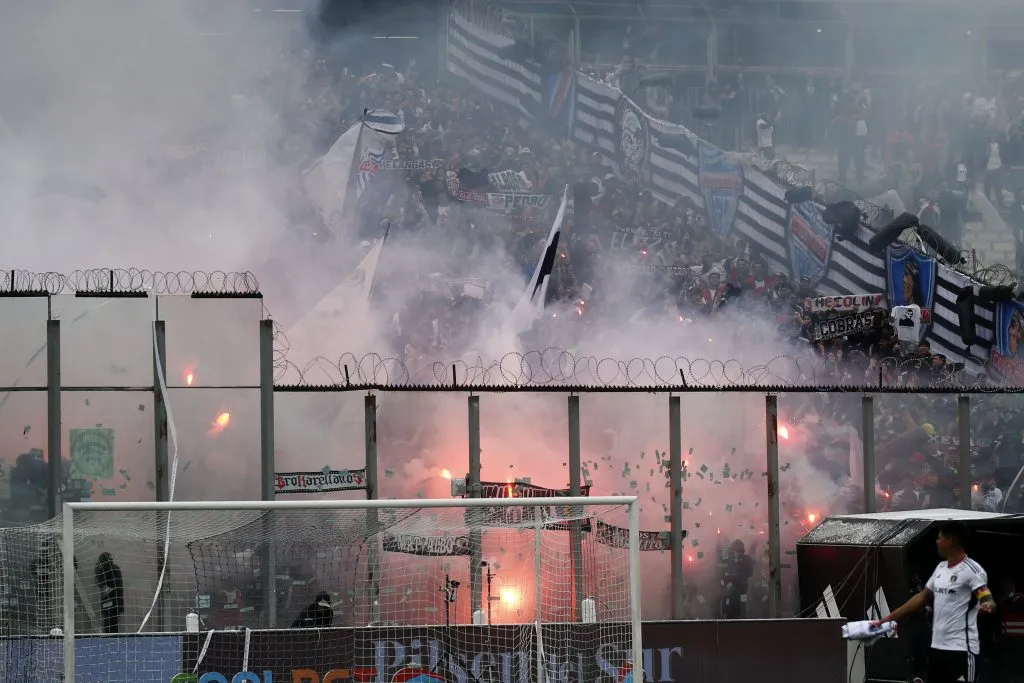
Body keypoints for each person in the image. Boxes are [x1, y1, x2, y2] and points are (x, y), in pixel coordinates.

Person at [872, 521, 995, 683]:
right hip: (938, 649)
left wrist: (987, 605)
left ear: (949, 541)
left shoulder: (972, 570)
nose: (936, 542)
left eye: (939, 538)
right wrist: (887, 618)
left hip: (962, 650)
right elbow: (922, 597)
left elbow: (987, 597)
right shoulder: (940, 569)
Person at [94, 552, 125, 634]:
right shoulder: (115, 568)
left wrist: (97, 570)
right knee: (113, 624)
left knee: (109, 625)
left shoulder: (106, 570)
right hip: (115, 602)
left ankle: (109, 640)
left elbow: (99, 582)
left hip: (110, 601)